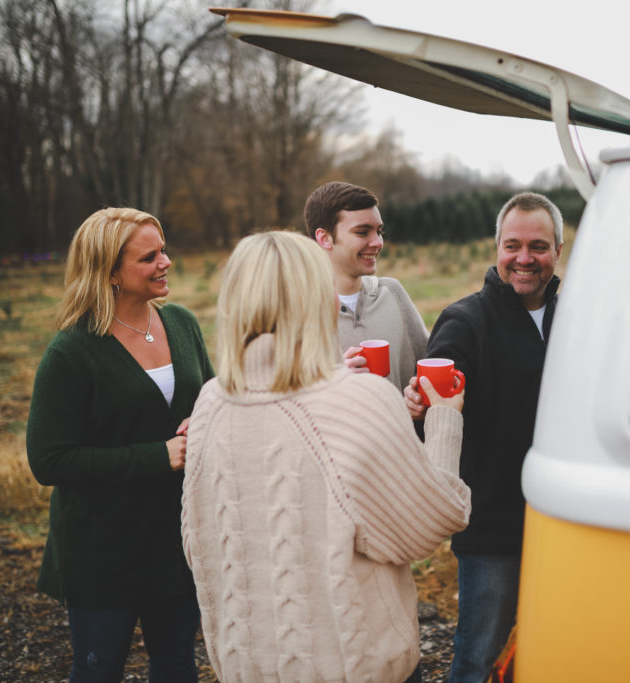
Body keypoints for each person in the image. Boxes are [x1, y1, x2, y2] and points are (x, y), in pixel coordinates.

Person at [181, 230, 472, 683]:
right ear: (319, 298)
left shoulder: (210, 403)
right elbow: (430, 522)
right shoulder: (360, 399)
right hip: (353, 665)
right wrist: (443, 421)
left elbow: (195, 537)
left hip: (247, 664)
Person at [26, 207, 213, 682]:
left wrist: (206, 419)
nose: (165, 262)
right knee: (98, 670)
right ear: (110, 273)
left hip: (176, 540)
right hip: (102, 550)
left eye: (164, 250)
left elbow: (211, 394)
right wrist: (159, 456)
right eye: (149, 257)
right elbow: (49, 460)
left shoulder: (183, 325)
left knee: (176, 666)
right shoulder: (71, 352)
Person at [404, 192, 565, 683]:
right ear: (496, 248)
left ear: (558, 249)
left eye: (537, 246)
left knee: (549, 655)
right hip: (493, 526)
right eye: (512, 245)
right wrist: (416, 405)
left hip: (561, 524)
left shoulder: (578, 316)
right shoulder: (466, 320)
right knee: (479, 659)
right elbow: (433, 410)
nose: (524, 258)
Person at [304, 181, 429, 392]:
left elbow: (429, 361)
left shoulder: (392, 293)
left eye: (379, 231)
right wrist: (332, 379)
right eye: (362, 232)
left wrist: (417, 398)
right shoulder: (296, 310)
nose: (378, 242)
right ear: (324, 238)